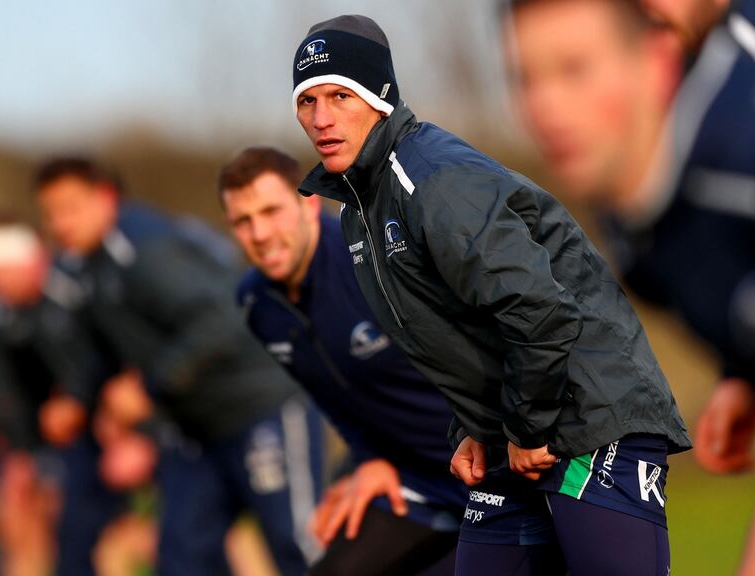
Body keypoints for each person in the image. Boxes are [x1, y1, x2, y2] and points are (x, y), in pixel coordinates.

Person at [290, 14, 691, 576]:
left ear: (379, 96)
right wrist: (474, 428)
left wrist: (524, 426)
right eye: (307, 101)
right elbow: (454, 331)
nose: (322, 118)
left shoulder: (431, 179)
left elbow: (539, 309)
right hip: (515, 431)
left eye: (339, 95)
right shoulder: (359, 208)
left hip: (587, 419)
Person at [503, 0, 755, 573]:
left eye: (574, 70)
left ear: (657, 56)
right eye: (526, 78)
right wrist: (750, 372)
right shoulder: (634, 224)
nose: (545, 107)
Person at [219, 146, 566, 575]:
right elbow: (334, 398)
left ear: (308, 204)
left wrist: (522, 434)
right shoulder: (256, 304)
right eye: (243, 221)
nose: (260, 233)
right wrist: (368, 461)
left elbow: (493, 346)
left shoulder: (370, 260)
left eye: (271, 211)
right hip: (414, 485)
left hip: (493, 475)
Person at [33, 156, 325, 576]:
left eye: (70, 208)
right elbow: (101, 349)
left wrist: (148, 388)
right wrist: (77, 399)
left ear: (105, 198)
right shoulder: (85, 267)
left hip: (262, 407)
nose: (60, 223)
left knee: (298, 543)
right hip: (195, 429)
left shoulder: (146, 250)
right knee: (182, 557)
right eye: (49, 213)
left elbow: (223, 318)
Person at [0, 216, 128, 576]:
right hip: (68, 446)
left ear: (26, 260)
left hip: (121, 437)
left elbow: (117, 362)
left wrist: (126, 429)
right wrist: (20, 454)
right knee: (40, 535)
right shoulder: (9, 320)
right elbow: (19, 395)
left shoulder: (77, 293)